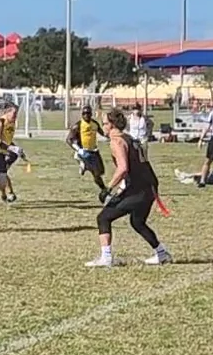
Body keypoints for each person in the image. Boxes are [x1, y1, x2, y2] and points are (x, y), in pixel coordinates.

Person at [86, 107, 170, 267]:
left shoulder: (117, 141)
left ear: (111, 125)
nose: (103, 127)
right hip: (148, 185)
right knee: (137, 222)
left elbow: (123, 168)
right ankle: (162, 253)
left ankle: (106, 257)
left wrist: (108, 188)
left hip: (140, 188)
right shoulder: (130, 138)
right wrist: (122, 189)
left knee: (103, 217)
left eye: (104, 123)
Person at [68, 105, 110, 199]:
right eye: (84, 113)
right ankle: (104, 190)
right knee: (96, 174)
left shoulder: (94, 124)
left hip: (94, 151)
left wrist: (110, 136)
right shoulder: (78, 125)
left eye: (88, 113)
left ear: (91, 114)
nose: (86, 115)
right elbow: (69, 140)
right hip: (84, 152)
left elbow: (102, 133)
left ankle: (84, 166)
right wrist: (79, 150)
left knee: (101, 171)